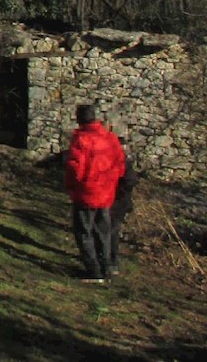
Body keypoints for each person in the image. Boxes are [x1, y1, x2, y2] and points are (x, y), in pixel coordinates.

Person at [64, 103, 126, 283]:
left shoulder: (81, 139)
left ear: (79, 119)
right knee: (103, 231)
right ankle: (106, 265)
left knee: (84, 232)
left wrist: (71, 187)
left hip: (85, 192)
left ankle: (93, 270)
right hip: (106, 192)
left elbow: (74, 169)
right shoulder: (110, 137)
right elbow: (120, 164)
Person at [109, 135, 138, 276]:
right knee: (110, 230)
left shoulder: (124, 164)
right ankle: (109, 260)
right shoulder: (119, 162)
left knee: (112, 231)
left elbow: (130, 182)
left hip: (118, 202)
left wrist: (117, 192)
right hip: (116, 201)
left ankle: (112, 262)